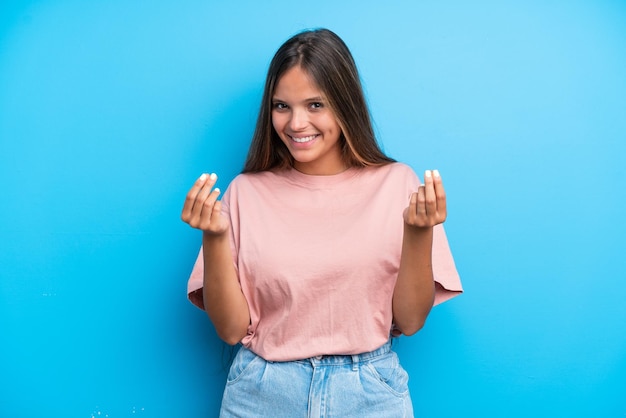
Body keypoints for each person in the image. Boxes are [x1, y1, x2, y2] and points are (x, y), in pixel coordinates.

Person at [181, 28, 462, 418]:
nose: (296, 124)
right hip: (262, 394)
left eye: (315, 105)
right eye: (282, 106)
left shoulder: (397, 184)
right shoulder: (245, 193)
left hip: (369, 394)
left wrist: (418, 234)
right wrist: (214, 237)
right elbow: (231, 331)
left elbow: (411, 321)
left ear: (345, 104)